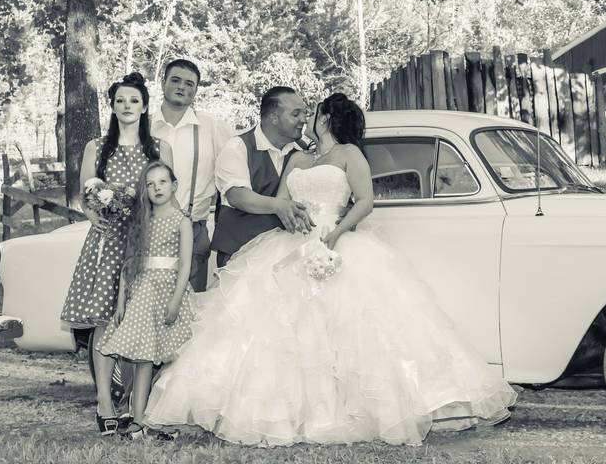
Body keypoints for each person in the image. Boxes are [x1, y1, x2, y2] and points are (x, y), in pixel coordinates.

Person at [144, 93, 517, 446]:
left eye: (314, 112)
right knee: (281, 330)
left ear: (327, 118)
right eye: (301, 112)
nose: (307, 118)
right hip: (293, 243)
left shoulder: (349, 153)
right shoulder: (297, 159)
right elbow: (284, 203)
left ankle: (369, 407)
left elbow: (366, 200)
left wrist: (337, 232)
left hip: (338, 239)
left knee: (353, 329)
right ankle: (288, 411)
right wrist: (290, 219)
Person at [60, 72, 172, 436]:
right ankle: (105, 401)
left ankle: (133, 404)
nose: (127, 106)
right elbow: (85, 195)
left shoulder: (158, 148)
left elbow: (166, 197)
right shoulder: (97, 146)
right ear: (112, 105)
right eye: (121, 100)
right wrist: (99, 215)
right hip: (107, 242)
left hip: (143, 243)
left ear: (144, 106)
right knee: (105, 320)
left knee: (139, 318)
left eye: (134, 101)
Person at [98, 161, 195, 440]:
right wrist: (120, 302)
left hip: (169, 291)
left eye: (162, 182)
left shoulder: (182, 220)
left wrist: (176, 301)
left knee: (169, 359)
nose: (157, 188)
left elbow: (186, 265)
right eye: (150, 184)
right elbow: (129, 263)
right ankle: (139, 420)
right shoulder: (141, 221)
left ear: (174, 185)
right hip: (142, 291)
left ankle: (166, 417)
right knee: (143, 358)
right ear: (145, 190)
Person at [150, 59, 233, 292]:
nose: (182, 87)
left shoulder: (211, 125)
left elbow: (241, 157)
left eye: (190, 84)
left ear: (196, 90)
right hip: (146, 229)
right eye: (175, 80)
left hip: (194, 229)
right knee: (147, 305)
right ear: (163, 82)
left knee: (191, 307)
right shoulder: (144, 125)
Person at [210, 86, 312, 270]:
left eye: (304, 113)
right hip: (240, 254)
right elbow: (237, 196)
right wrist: (279, 205)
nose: (303, 120)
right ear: (273, 117)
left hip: (285, 258)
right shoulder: (237, 147)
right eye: (296, 114)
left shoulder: (302, 151)